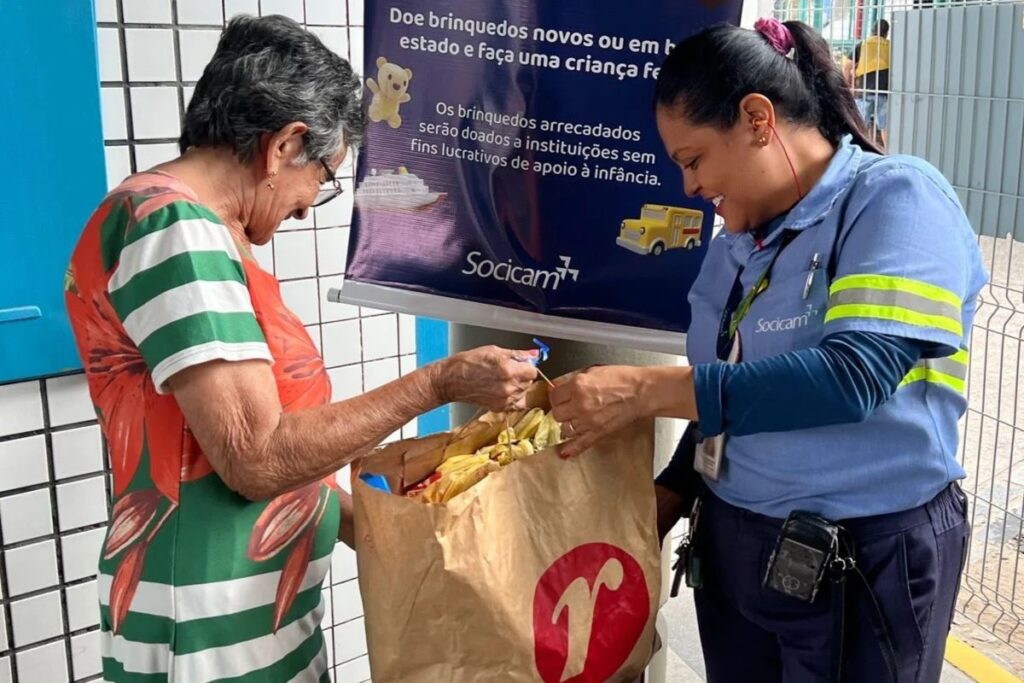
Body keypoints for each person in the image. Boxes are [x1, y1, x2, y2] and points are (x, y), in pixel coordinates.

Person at [64, 15, 538, 682]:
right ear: (285, 144)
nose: (312, 204)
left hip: (256, 607)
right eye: (326, 174)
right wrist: (439, 384)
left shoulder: (197, 232)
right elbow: (256, 456)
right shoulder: (172, 229)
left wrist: (391, 532)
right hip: (208, 623)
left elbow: (268, 460)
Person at [550, 18, 985, 682]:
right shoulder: (737, 243)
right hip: (737, 552)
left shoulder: (895, 199)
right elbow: (727, 395)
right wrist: (661, 504)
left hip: (859, 560)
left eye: (693, 160)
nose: (690, 188)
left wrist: (642, 391)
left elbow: (852, 375)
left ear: (757, 118)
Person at [850, 19, 891, 148]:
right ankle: (888, 152)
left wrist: (849, 84)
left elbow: (847, 66)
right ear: (886, 32)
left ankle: (859, 149)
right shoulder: (891, 46)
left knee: (860, 124)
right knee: (885, 126)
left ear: (872, 30)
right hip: (884, 91)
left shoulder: (863, 44)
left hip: (863, 90)